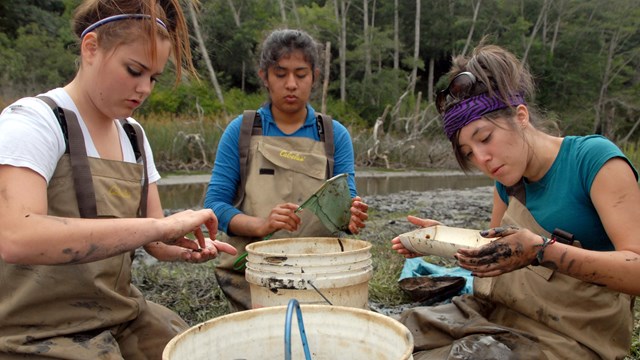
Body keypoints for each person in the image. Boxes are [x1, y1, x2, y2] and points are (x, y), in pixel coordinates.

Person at [0, 1, 237, 359]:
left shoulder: (134, 136)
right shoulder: (33, 121)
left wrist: (187, 247)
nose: (144, 89)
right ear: (91, 47)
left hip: (120, 314)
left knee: (202, 349)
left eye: (153, 77)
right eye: (134, 70)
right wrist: (158, 228)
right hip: (36, 329)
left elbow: (157, 239)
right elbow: (16, 237)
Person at [391, 43, 640, 359]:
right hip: (494, 316)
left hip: (568, 339)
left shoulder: (594, 161)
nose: (482, 158)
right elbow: (495, 253)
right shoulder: (506, 181)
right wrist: (442, 239)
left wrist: (541, 251)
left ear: (520, 116)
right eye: (469, 153)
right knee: (388, 336)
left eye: (485, 138)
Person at [204, 28, 369, 312]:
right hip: (254, 270)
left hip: (320, 268)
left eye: (301, 74)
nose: (291, 84)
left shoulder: (334, 135)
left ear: (314, 76)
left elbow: (346, 202)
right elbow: (214, 206)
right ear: (264, 76)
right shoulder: (241, 131)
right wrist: (261, 225)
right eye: (280, 74)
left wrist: (352, 216)